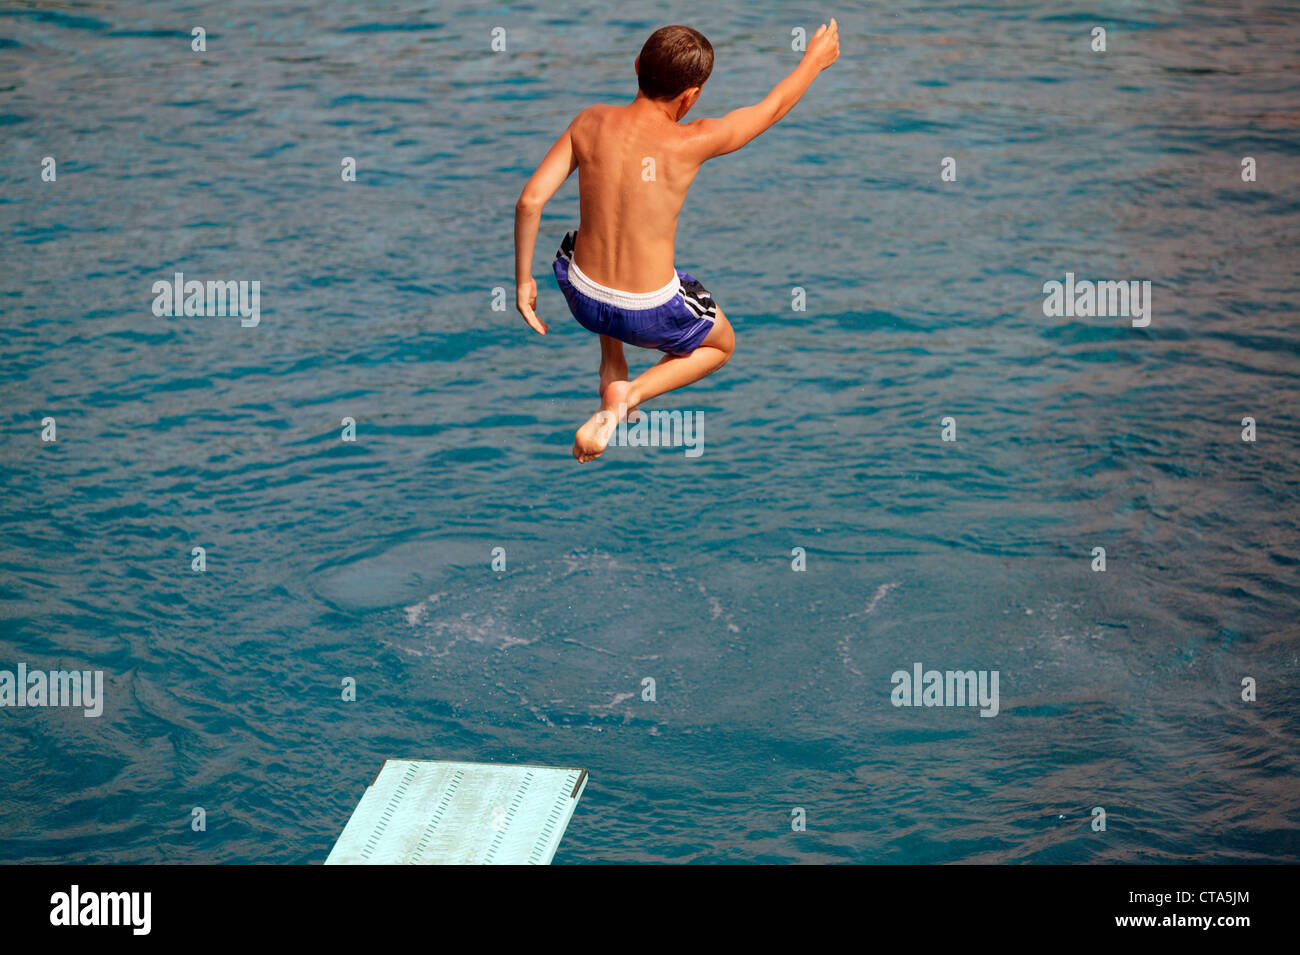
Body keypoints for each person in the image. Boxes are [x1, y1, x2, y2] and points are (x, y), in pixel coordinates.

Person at [514, 21, 841, 461]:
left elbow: (530, 202)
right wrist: (813, 61)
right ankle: (625, 395)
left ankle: (612, 362)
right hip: (648, 311)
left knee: (578, 241)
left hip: (583, 298)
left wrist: (523, 284)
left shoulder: (589, 121)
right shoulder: (693, 139)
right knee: (720, 344)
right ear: (692, 95)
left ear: (636, 66)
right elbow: (772, 107)